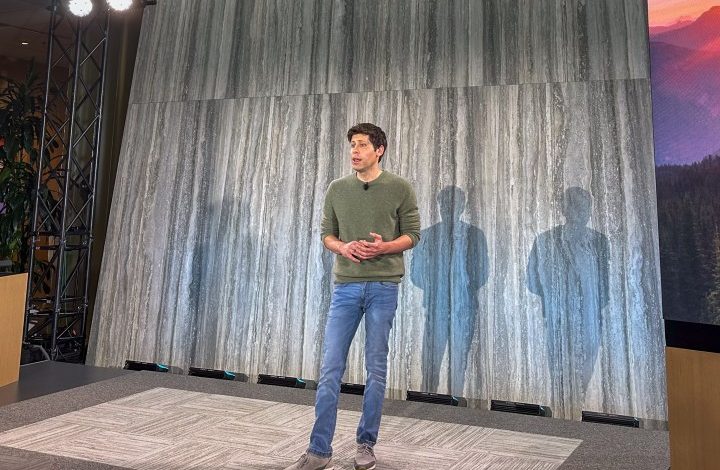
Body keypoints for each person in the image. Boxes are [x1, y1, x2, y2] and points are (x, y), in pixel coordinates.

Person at [285, 123, 420, 470]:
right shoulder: (337, 189)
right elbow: (326, 234)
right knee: (330, 368)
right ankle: (318, 450)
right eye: (352, 146)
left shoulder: (400, 187)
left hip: (383, 287)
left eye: (361, 145)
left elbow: (413, 234)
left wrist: (386, 247)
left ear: (380, 149)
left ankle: (366, 444)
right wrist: (343, 246)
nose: (354, 151)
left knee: (376, 370)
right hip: (345, 287)